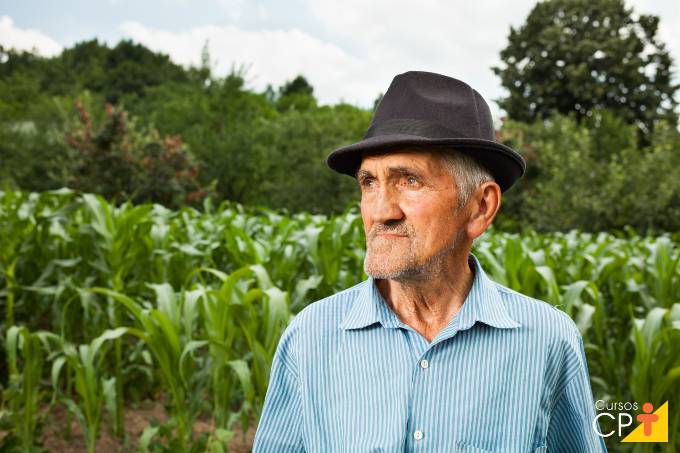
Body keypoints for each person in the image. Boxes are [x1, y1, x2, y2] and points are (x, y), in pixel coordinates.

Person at [252, 71, 607, 452]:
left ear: (480, 207)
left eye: (410, 181)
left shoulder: (547, 340)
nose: (381, 211)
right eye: (369, 182)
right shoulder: (310, 338)